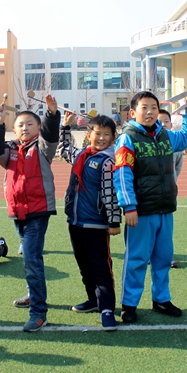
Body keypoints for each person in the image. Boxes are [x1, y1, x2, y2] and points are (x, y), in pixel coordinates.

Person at [113, 91, 187, 323]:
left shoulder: (166, 136)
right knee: (137, 259)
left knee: (163, 258)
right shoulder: (127, 138)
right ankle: (129, 304)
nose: (150, 112)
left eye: (154, 107)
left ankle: (161, 299)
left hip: (165, 209)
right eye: (144, 107)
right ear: (133, 112)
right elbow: (122, 174)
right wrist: (129, 206)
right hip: (141, 212)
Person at [0, 95, 60, 332]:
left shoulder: (42, 148)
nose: (25, 128)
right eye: (20, 124)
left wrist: (51, 114)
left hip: (38, 212)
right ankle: (32, 295)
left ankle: (39, 313)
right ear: (14, 130)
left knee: (31, 260)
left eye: (30, 124)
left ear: (38, 128)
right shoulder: (9, 150)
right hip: (17, 213)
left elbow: (51, 135)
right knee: (30, 258)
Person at [58, 112, 121, 331]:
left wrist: (114, 222)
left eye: (107, 134)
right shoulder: (82, 155)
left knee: (100, 267)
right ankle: (93, 300)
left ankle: (107, 309)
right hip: (76, 222)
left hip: (96, 224)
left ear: (113, 137)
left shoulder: (109, 161)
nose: (101, 138)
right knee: (84, 266)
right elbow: (64, 150)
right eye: (97, 133)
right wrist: (65, 127)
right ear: (88, 135)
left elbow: (111, 194)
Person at [158, 109, 184, 268]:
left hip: (168, 193)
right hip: (148, 193)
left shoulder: (176, 146)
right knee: (147, 227)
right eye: (159, 121)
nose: (163, 124)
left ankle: (167, 257)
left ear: (171, 124)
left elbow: (177, 168)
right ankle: (147, 255)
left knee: (166, 228)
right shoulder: (145, 144)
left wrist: (171, 182)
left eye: (166, 121)